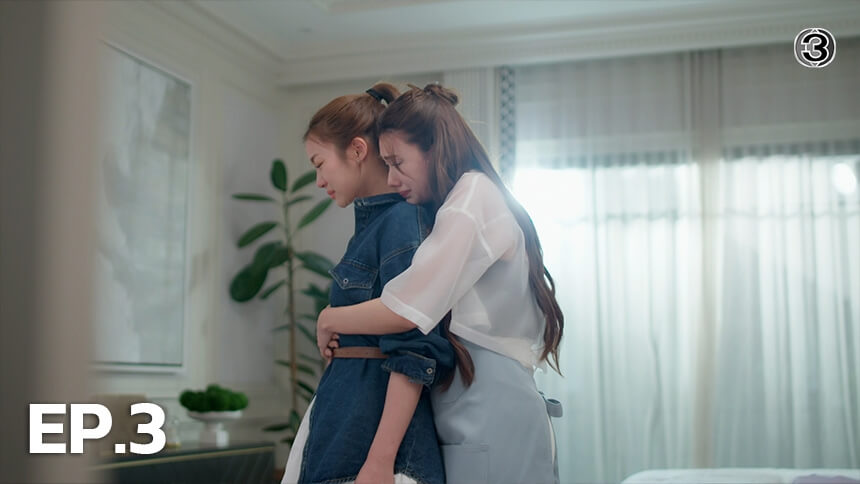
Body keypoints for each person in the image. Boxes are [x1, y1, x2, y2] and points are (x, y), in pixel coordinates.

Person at [316, 83, 565, 484]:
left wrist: (330, 318)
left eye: (398, 162)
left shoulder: (470, 200)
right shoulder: (470, 197)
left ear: (434, 148)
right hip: (480, 402)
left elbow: (407, 308)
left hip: (491, 407)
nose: (392, 178)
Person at [282, 83, 458, 484]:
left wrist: (380, 460)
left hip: (370, 452)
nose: (318, 179)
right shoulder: (374, 228)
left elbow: (414, 348)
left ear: (358, 150)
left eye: (319, 163)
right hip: (344, 436)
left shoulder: (401, 223)